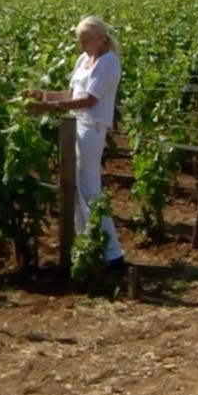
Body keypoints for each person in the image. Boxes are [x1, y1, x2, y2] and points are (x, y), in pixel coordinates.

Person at [25, 15, 124, 268]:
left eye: (86, 41)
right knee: (77, 187)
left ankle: (112, 253)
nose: (82, 46)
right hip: (75, 125)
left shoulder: (109, 62)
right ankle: (85, 242)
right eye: (80, 41)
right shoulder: (84, 59)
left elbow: (90, 99)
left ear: (101, 39)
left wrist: (49, 106)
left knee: (90, 188)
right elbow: (72, 94)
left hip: (92, 127)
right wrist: (41, 95)